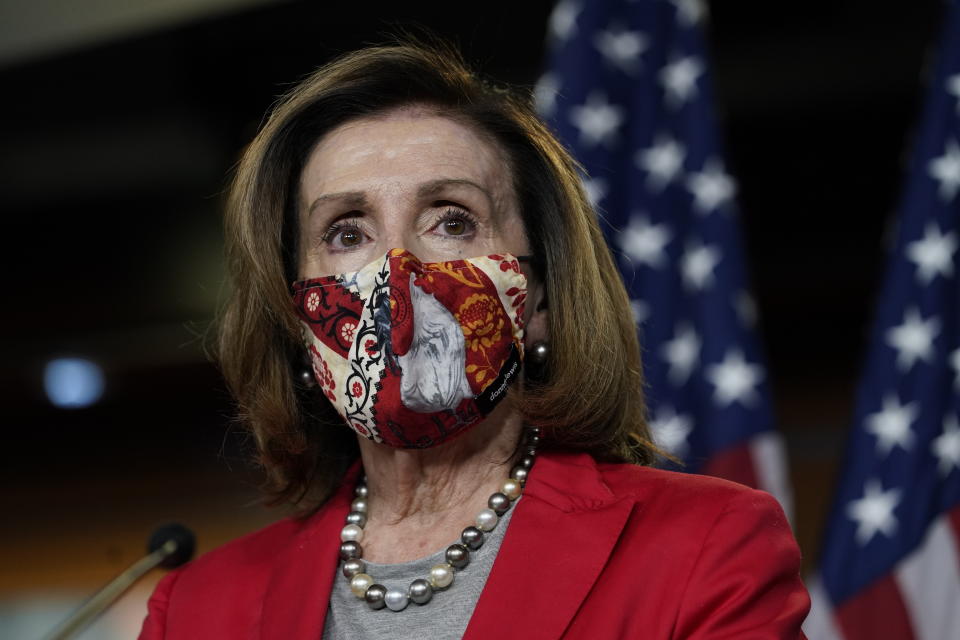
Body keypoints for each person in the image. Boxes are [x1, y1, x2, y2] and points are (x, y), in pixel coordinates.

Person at [139, 40, 810, 639]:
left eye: (452, 222)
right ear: (296, 312)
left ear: (539, 296)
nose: (397, 270)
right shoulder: (196, 609)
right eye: (347, 233)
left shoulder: (704, 544)